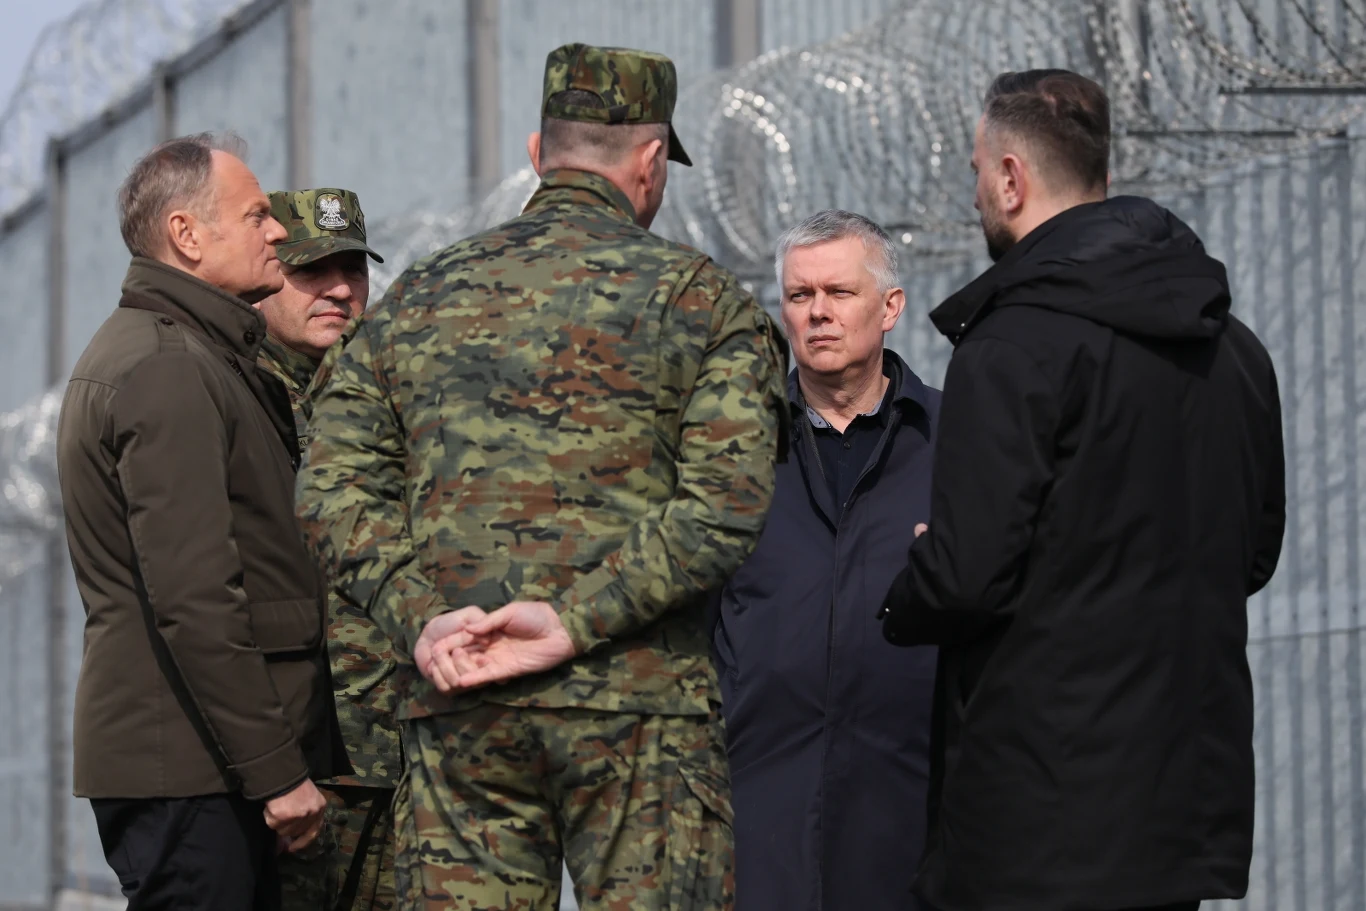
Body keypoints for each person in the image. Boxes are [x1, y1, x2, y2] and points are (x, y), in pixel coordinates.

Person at [296, 43, 789, 911]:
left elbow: (331, 485)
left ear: (538, 153)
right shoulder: (700, 301)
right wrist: (574, 621)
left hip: (461, 704)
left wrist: (421, 620)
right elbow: (722, 505)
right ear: (649, 163)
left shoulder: (416, 298)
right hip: (639, 712)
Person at [878, 69, 1285, 911]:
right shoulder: (1233, 347)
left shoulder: (1013, 343)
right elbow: (1252, 551)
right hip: (1180, 811)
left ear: (1012, 178)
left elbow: (966, 573)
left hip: (1039, 818)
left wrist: (903, 594)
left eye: (978, 171)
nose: (978, 191)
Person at [56, 132, 347, 911]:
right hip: (193, 770)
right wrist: (278, 770)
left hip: (203, 761)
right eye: (256, 215)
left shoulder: (197, 354)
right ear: (187, 235)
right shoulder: (169, 366)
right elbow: (194, 597)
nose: (278, 231)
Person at [712, 209, 940, 911]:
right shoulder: (734, 447)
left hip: (914, 809)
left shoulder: (954, 440)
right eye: (800, 296)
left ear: (890, 307)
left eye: (839, 294)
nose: (817, 314)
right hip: (761, 807)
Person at [253, 188, 398, 911]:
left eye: (354, 269)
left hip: (395, 758)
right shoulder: (237, 398)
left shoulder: (390, 398)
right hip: (292, 769)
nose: (340, 289)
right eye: (314, 270)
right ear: (265, 275)